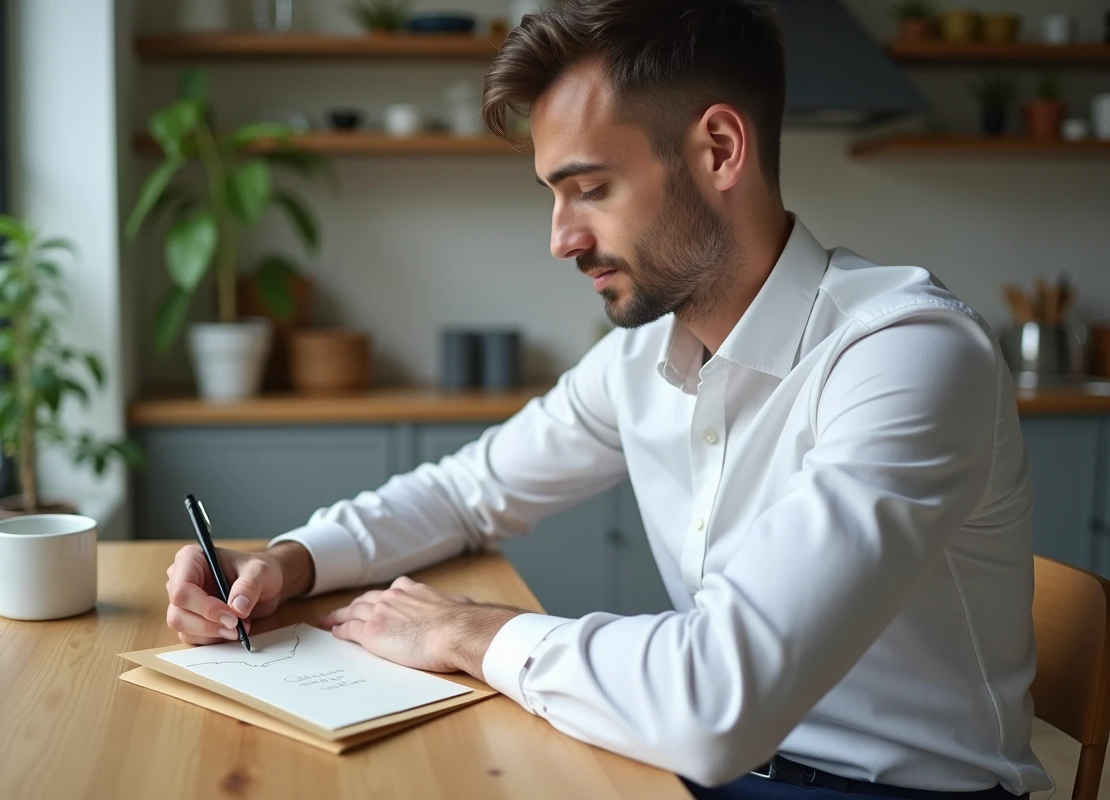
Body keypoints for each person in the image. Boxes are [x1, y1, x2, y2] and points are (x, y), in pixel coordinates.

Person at [164, 1, 1053, 797]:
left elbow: (714, 700)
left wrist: (469, 634)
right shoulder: (641, 360)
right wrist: (285, 563)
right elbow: (466, 492)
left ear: (718, 151)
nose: (561, 238)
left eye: (590, 189)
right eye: (554, 195)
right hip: (693, 767)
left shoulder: (906, 357)